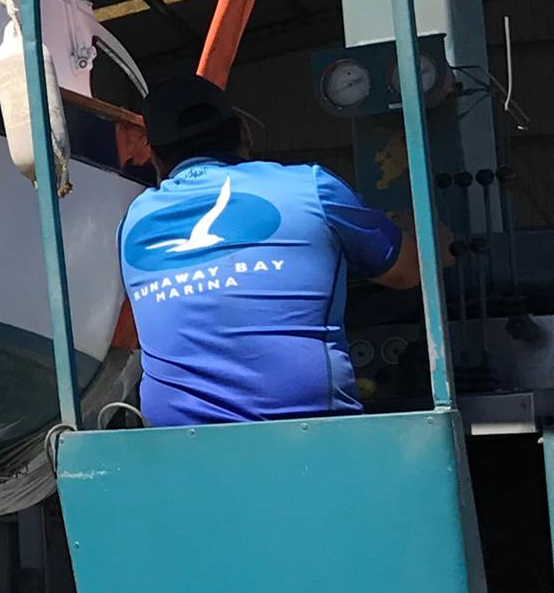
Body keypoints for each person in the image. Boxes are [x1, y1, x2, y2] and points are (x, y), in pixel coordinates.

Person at [119, 74, 420, 428]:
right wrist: (440, 240)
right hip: (312, 436)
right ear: (244, 132)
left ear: (155, 158)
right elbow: (408, 271)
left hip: (178, 444)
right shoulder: (310, 187)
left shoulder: (133, 221)